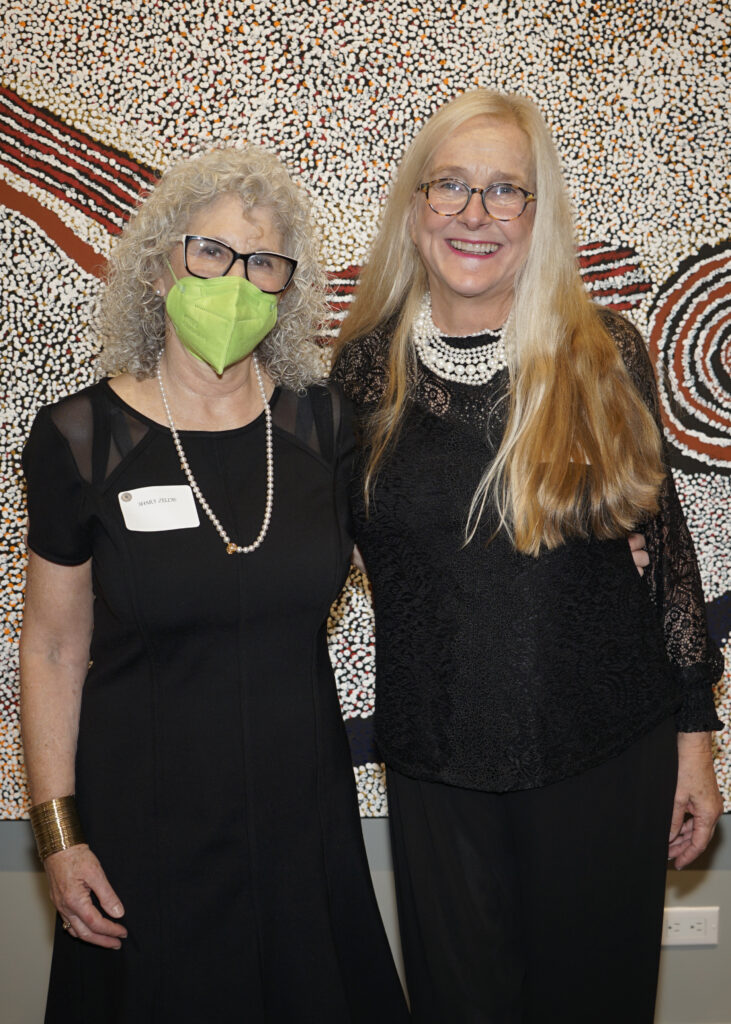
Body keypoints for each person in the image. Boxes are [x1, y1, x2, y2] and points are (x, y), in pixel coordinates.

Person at [333, 89, 724, 1023]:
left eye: (504, 190)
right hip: (438, 765)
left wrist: (696, 744)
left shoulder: (602, 352)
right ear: (415, 208)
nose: (475, 213)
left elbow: (668, 560)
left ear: (536, 214)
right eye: (451, 186)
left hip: (605, 753)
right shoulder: (358, 375)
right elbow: (295, 559)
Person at [20, 146, 408, 1023]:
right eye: (211, 252)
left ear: (285, 289)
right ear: (159, 266)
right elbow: (50, 649)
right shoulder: (78, 438)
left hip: (301, 817)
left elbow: (419, 569)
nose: (235, 281)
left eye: (263, 262)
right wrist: (59, 837)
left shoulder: (327, 429)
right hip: (141, 822)